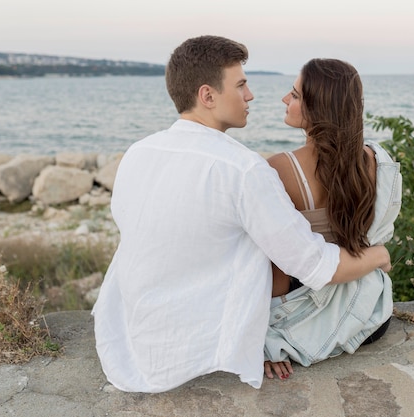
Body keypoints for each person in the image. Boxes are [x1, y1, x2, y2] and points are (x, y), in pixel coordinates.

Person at [91, 36, 391, 393]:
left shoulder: (138, 153)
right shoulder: (244, 170)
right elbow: (312, 265)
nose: (250, 95)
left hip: (127, 335)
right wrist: (378, 255)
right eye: (241, 85)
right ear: (208, 96)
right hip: (197, 344)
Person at [263, 58, 402, 380]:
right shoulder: (377, 160)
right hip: (371, 314)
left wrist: (271, 339)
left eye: (295, 95)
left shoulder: (281, 168)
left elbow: (278, 262)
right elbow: (376, 233)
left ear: (317, 109)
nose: (285, 99)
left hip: (307, 314)